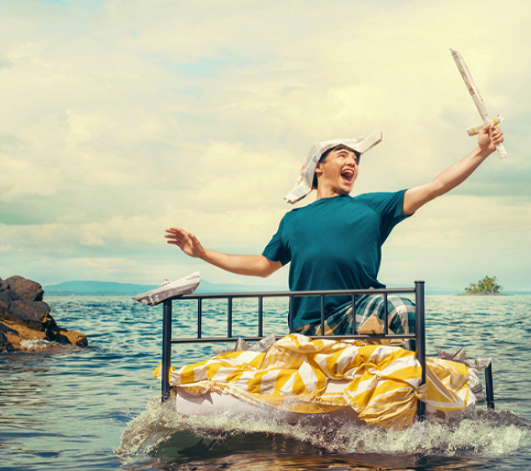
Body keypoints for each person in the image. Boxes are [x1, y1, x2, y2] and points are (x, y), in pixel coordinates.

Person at [166, 124, 504, 345]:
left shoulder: (372, 207)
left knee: (402, 309)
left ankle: (409, 388)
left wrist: (481, 151)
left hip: (358, 312)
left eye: (356, 159)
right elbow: (261, 265)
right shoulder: (293, 220)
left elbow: (436, 186)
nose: (353, 163)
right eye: (343, 155)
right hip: (310, 328)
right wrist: (202, 253)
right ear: (318, 167)